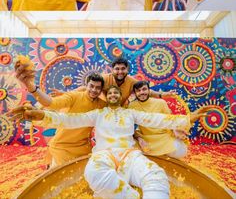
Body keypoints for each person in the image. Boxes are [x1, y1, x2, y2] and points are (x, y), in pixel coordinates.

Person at [9, 85, 210, 199]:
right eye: (110, 93)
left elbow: (157, 119)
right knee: (93, 172)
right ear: (107, 97)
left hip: (130, 155)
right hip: (103, 155)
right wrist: (41, 116)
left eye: (116, 93)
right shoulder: (97, 114)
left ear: (120, 97)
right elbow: (68, 120)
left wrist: (187, 118)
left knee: (156, 176)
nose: (113, 94)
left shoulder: (131, 112)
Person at [15, 59, 106, 166]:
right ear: (87, 85)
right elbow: (51, 103)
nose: (94, 90)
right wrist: (31, 87)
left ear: (101, 90)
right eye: (91, 86)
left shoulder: (102, 106)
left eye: (97, 88)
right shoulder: (74, 96)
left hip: (83, 149)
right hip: (61, 147)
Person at [129, 81, 187, 158]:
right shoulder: (132, 105)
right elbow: (130, 127)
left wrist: (175, 129)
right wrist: (139, 138)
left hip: (163, 137)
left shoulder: (161, 103)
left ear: (149, 91)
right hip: (146, 138)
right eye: (138, 91)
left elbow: (170, 120)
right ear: (135, 93)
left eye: (144, 89)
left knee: (180, 151)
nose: (141, 92)